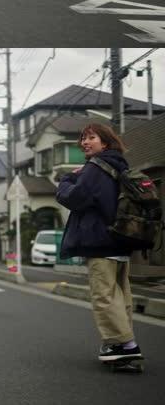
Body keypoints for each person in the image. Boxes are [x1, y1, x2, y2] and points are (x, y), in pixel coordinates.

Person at [55, 122, 143, 363]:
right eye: (83, 138)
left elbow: (76, 198)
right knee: (120, 296)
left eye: (91, 137)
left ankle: (125, 345)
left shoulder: (95, 168)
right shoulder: (119, 165)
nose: (84, 142)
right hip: (121, 240)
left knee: (104, 295)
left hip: (100, 241)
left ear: (104, 142)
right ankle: (119, 343)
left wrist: (65, 181)